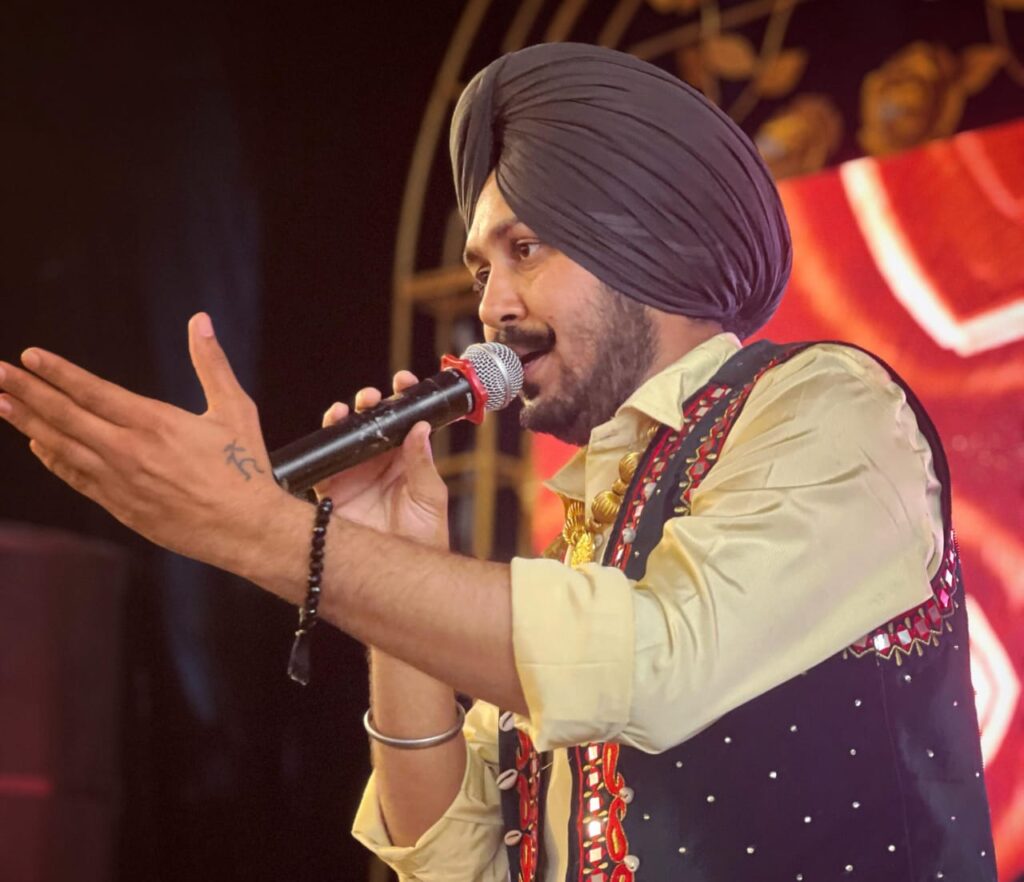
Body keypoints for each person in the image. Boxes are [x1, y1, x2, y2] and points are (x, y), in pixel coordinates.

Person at [0, 43, 996, 881]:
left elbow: (652, 662)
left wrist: (266, 533)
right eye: (482, 268)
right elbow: (452, 859)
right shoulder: (591, 541)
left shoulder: (828, 406)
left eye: (524, 250)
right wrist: (388, 555)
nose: (491, 306)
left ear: (645, 241)